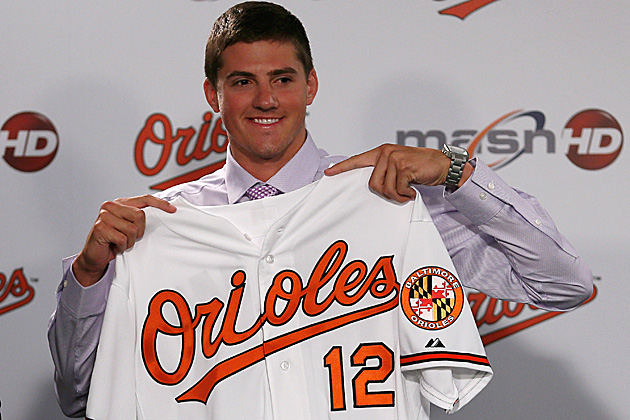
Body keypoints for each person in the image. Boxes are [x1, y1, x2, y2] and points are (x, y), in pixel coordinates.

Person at [47, 1, 592, 418]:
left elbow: (564, 285)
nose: (265, 99)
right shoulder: (156, 227)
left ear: (310, 86)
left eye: (282, 79)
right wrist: (90, 275)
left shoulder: (389, 201)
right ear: (214, 95)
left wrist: (456, 172)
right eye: (242, 82)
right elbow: (80, 394)